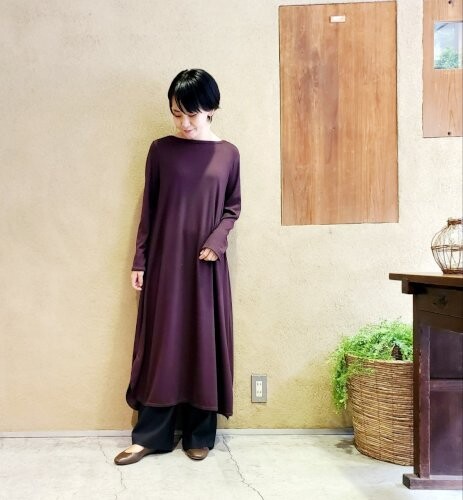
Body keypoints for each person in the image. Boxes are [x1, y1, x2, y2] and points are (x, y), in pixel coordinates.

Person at [114, 69, 241, 465]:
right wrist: (140, 259)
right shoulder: (160, 150)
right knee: (163, 345)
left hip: (205, 267)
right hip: (166, 264)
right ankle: (152, 435)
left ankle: (198, 434)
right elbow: (149, 210)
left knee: (202, 342)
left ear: (212, 109)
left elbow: (232, 208)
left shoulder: (228, 154)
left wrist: (217, 241)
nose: (184, 123)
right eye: (176, 114)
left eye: (192, 114)